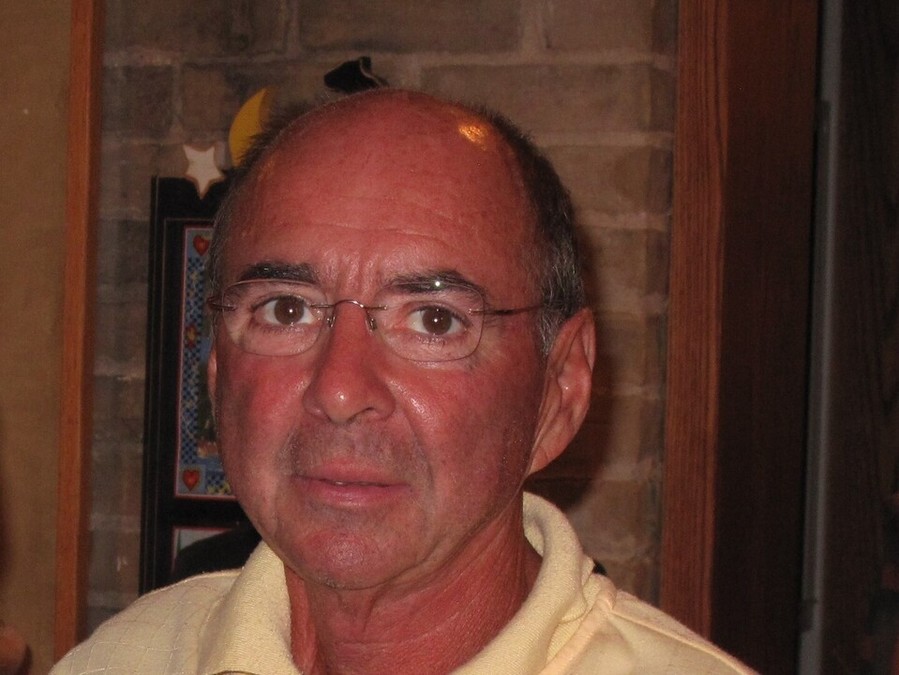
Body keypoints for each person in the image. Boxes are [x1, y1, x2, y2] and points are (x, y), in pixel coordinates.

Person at [53, 89, 753, 674]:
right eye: (286, 309)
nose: (340, 391)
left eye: (433, 320)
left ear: (559, 389)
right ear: (216, 373)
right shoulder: (122, 660)